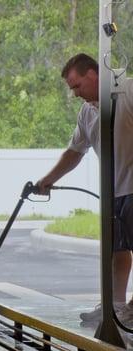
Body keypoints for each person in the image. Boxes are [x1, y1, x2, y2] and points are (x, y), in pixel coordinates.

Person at [36, 53, 133, 324]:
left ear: (92, 75)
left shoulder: (129, 91)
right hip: (113, 191)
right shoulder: (88, 111)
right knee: (117, 250)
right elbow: (74, 152)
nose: (75, 94)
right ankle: (114, 306)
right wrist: (48, 180)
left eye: (77, 86)